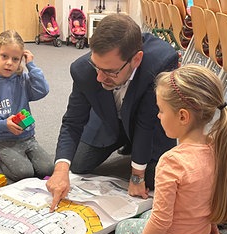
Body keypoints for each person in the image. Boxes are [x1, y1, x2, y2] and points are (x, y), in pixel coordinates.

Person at [115, 64, 227, 234]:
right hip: (199, 233)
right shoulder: (216, 148)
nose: (158, 116)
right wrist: (211, 228)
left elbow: (161, 220)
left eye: (161, 110)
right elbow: (210, 197)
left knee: (122, 230)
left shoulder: (172, 162)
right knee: (145, 217)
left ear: (182, 116)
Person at [46, 14, 178, 211]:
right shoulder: (83, 70)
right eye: (96, 67)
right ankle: (125, 143)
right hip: (109, 120)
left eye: (109, 71)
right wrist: (60, 169)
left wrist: (137, 175)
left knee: (159, 179)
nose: (99, 77)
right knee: (78, 165)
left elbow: (146, 121)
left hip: (151, 125)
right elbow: (72, 122)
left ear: (136, 59)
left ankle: (136, 152)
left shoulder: (160, 61)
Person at [0, 30, 53, 182]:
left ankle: (22, 157)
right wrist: (4, 124)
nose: (9, 62)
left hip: (28, 137)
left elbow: (42, 90)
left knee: (47, 169)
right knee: (24, 173)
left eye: (15, 59)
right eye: (4, 56)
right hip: (4, 142)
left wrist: (31, 65)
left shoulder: (21, 79)